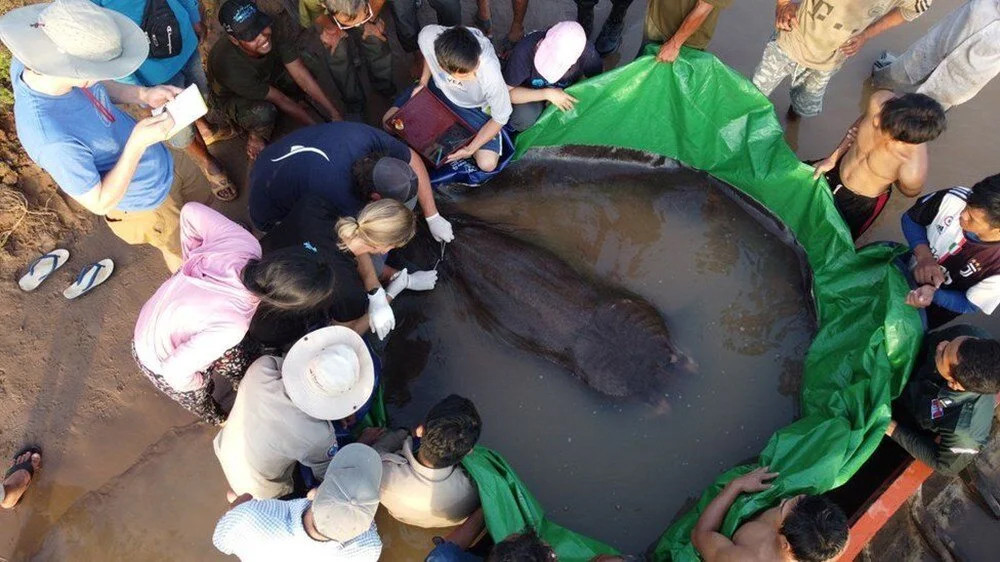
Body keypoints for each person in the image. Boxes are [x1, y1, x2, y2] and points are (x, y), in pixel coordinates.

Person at [1, 0, 215, 272]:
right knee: (184, 250)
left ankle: (216, 239)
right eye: (97, 70)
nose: (101, 77)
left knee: (202, 210)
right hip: (145, 201)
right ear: (76, 71)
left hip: (161, 160)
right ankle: (203, 280)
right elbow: (100, 202)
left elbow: (100, 86)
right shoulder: (51, 139)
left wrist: (143, 94)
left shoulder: (38, 59)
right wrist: (137, 144)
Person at [133, 203, 339, 425]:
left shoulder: (245, 244)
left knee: (242, 361)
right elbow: (174, 371)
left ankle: (243, 384)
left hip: (162, 317)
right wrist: (199, 380)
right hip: (157, 355)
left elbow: (190, 211)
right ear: (284, 303)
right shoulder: (233, 325)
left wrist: (193, 256)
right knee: (197, 397)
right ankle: (219, 418)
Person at [246, 194, 435, 349]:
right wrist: (390, 294)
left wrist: (374, 286)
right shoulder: (348, 290)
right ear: (385, 248)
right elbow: (343, 334)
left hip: (245, 272)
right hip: (266, 326)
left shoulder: (315, 206)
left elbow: (347, 240)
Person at [93, 0, 238, 201]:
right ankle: (207, 162)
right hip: (152, 75)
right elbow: (103, 48)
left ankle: (204, 128)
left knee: (199, 94)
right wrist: (139, 92)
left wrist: (194, 17)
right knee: (179, 129)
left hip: (183, 41)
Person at [214, 326, 381, 499]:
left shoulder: (263, 367)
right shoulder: (319, 437)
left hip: (226, 448)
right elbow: (329, 475)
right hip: (261, 489)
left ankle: (236, 495)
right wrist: (360, 444)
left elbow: (288, 376)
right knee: (303, 494)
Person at [247, 121, 454, 242]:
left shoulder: (364, 137)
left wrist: (432, 215)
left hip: (279, 154)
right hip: (266, 197)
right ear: (374, 198)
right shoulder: (341, 195)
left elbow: (412, 159)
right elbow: (352, 239)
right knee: (287, 240)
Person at [753, 0, 934, 119]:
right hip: (791, 36)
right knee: (753, 95)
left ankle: (791, 123)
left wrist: (866, 35)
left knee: (801, 107)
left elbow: (909, 11)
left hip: (830, 59)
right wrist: (784, 4)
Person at [208, 0, 341, 162]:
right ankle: (256, 135)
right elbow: (281, 99)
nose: (262, 37)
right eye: (251, 36)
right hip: (238, 97)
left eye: (261, 27)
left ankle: (299, 100)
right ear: (235, 40)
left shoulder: (273, 25)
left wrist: (334, 114)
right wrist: (318, 129)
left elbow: (300, 73)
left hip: (267, 74)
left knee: (309, 64)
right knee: (265, 112)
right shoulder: (229, 66)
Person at [811, 90, 945, 240]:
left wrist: (888, 172)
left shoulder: (912, 170)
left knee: (831, 239)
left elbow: (909, 191)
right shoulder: (880, 101)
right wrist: (833, 158)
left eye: (884, 123)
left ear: (902, 140)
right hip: (836, 168)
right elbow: (859, 123)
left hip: (859, 204)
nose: (875, 120)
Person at [213, 443, 383, 561]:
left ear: (314, 495)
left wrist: (237, 508)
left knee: (233, 495)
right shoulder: (369, 549)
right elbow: (370, 529)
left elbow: (220, 541)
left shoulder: (249, 518)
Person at [385, 26, 512, 172]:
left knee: (487, 164)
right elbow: (428, 54)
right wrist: (423, 82)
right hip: (438, 90)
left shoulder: (489, 72)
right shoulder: (428, 36)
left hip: (473, 108)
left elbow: (500, 118)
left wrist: (470, 149)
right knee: (388, 124)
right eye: (467, 74)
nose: (476, 73)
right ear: (444, 67)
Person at [886, 325, 1000, 476]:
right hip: (916, 372)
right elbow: (927, 342)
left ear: (955, 384)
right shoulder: (969, 334)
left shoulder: (966, 435)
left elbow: (944, 465)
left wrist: (892, 428)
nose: (941, 344)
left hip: (915, 412)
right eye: (949, 343)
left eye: (943, 353)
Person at [900, 175, 1000, 327]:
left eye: (972, 218)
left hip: (929, 311)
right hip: (902, 273)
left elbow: (969, 304)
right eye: (967, 206)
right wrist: (924, 256)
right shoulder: (953, 199)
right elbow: (911, 218)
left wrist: (934, 295)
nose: (963, 214)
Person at [691, 467, 849, 562]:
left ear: (785, 545)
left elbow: (700, 534)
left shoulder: (742, 559)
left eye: (782, 509)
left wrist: (736, 485)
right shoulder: (834, 539)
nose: (782, 500)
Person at [374, 394, 481, 528]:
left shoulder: (383, 473)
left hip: (403, 515)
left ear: (420, 431)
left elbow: (376, 450)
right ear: (469, 451)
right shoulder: (475, 489)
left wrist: (404, 432)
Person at [873, 0, 1000, 112]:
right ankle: (877, 86)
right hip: (936, 46)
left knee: (924, 111)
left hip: (966, 77)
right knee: (895, 74)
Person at [298, 0, 395, 118]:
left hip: (364, 9)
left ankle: (384, 85)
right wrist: (331, 29)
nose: (356, 24)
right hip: (329, 18)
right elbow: (316, 13)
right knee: (337, 53)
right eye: (350, 22)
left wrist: (372, 19)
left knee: (375, 39)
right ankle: (354, 104)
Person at [503, 21, 603, 131]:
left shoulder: (588, 55)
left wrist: (571, 93)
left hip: (564, 93)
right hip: (530, 92)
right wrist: (546, 94)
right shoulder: (523, 52)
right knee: (524, 117)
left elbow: (596, 83)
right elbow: (506, 93)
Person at [645, 0, 732, 63]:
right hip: (656, 18)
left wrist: (674, 44)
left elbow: (703, 9)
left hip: (683, 40)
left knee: (667, 80)